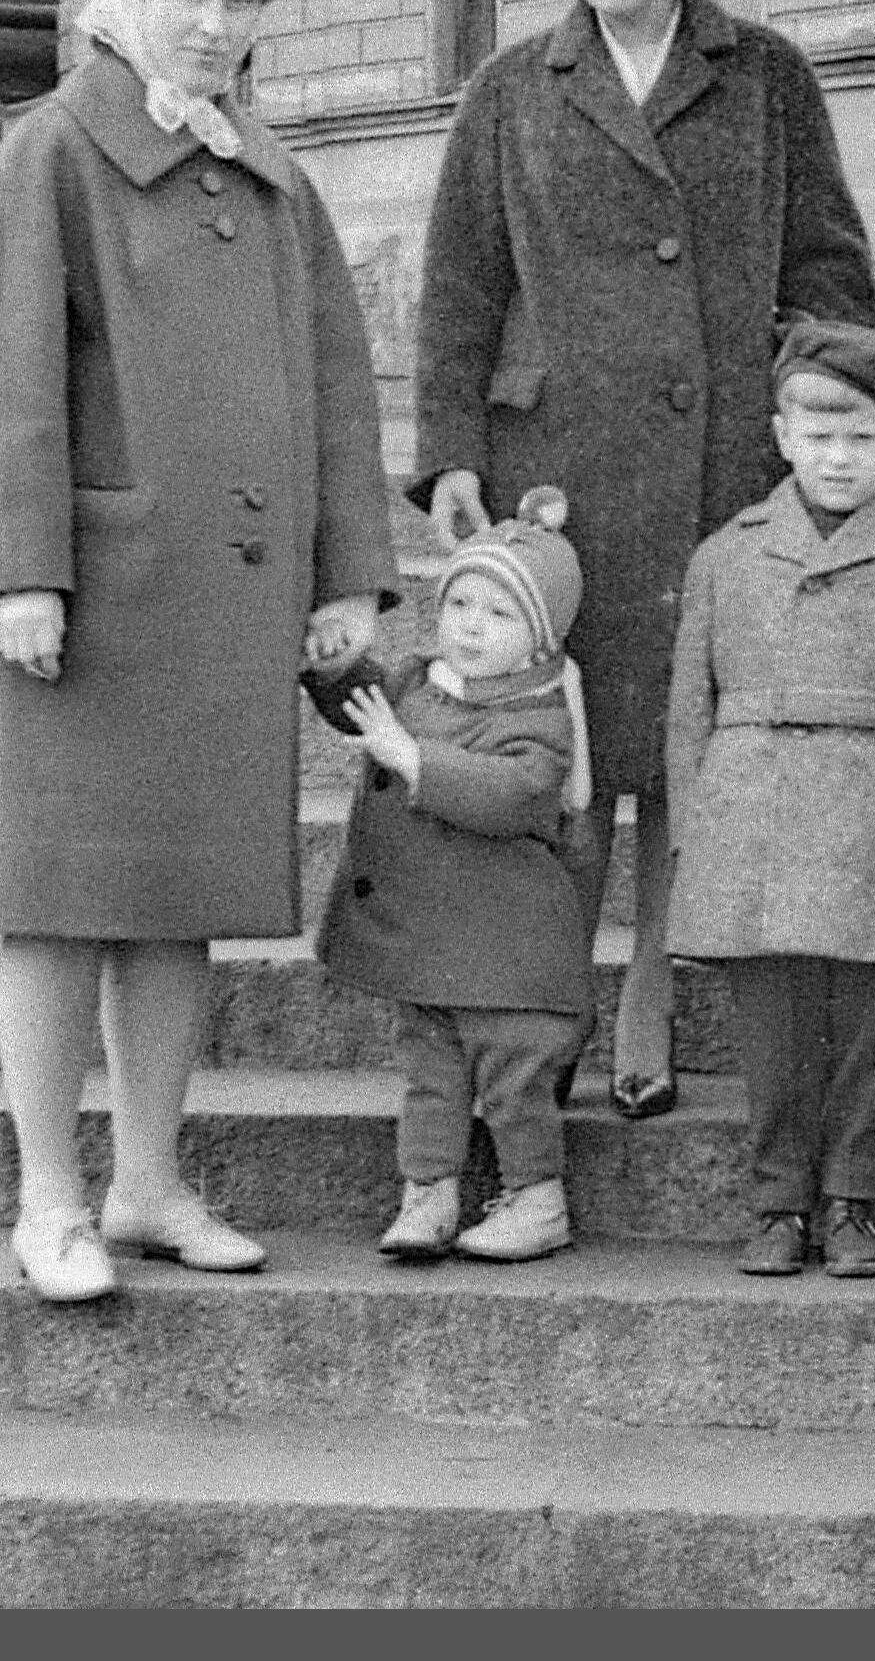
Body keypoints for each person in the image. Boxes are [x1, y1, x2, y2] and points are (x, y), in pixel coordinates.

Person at [0, 0, 399, 1304]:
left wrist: (348, 576)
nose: (212, 22)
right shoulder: (53, 149)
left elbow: (335, 386)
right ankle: (48, 1198)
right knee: (53, 899)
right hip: (86, 601)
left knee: (173, 903)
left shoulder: (270, 177)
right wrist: (17, 571)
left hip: (224, 603)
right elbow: (2, 376)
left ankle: (145, 1183)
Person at [413, 0, 875, 1121]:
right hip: (554, 465)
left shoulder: (766, 76)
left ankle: (651, 995)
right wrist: (448, 455)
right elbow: (459, 286)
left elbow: (830, 268)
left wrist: (811, 419)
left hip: (721, 460)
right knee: (557, 739)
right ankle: (545, 999)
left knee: (681, 740)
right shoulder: (512, 89)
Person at [664, 320, 875, 1280]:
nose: (838, 458)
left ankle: (855, 1201)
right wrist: (694, 833)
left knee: (872, 1021)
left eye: (863, 438)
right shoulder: (726, 555)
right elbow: (690, 709)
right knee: (771, 1024)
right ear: (781, 436)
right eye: (817, 436)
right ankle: (778, 1201)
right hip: (753, 811)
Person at [307, 489, 598, 1265]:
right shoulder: (416, 682)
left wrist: (412, 757)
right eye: (460, 603)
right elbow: (361, 704)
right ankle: (428, 1192)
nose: (470, 625)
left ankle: (536, 1199)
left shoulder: (540, 715)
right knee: (430, 1074)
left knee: (514, 1081)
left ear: (540, 643)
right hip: (428, 941)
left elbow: (513, 795)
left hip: (510, 954)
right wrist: (332, 667)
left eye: (500, 614)